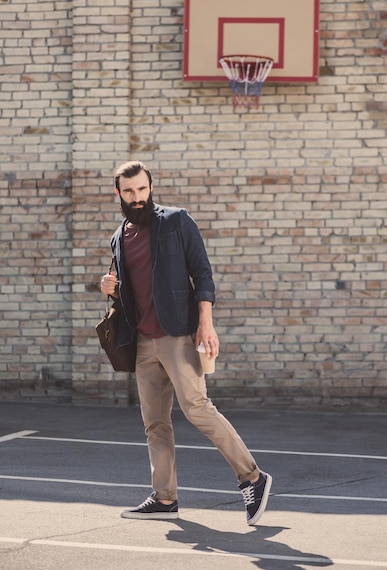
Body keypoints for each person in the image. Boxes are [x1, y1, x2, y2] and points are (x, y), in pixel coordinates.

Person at [100, 160, 272, 525]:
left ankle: (253, 477)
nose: (137, 197)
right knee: (155, 423)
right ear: (118, 193)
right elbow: (132, 291)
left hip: (177, 333)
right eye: (129, 191)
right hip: (143, 342)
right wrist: (111, 289)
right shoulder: (118, 237)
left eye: (142, 189)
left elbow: (202, 274)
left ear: (151, 187)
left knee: (197, 408)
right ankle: (164, 498)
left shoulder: (177, 221)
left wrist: (205, 324)